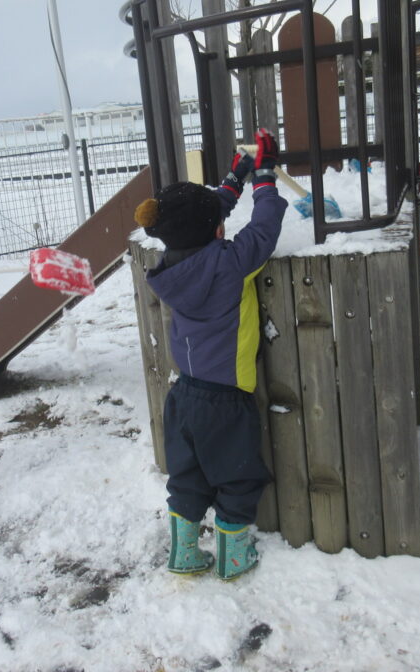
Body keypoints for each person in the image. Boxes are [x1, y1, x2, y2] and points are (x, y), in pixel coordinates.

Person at [134, 129, 288, 580]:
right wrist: (264, 175)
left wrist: (235, 177)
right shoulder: (230, 264)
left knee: (187, 475)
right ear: (218, 231)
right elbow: (266, 226)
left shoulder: (170, 266)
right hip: (227, 398)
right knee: (237, 475)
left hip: (183, 396)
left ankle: (184, 553)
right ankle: (233, 557)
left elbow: (202, 216)